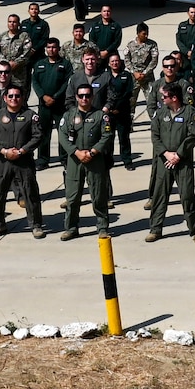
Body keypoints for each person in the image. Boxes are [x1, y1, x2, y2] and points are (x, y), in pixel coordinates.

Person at [148, 83, 195, 242]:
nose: (162, 99)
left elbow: (193, 136)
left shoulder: (190, 113)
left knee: (187, 195)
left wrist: (178, 155)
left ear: (174, 98)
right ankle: (155, 229)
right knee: (159, 195)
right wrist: (166, 153)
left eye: (165, 96)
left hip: (183, 161)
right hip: (163, 161)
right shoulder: (160, 113)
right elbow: (155, 136)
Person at [0, 85, 44, 238]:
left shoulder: (30, 115)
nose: (14, 99)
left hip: (24, 160)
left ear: (22, 98)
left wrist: (21, 151)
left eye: (17, 96)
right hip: (2, 160)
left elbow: (37, 137)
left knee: (30, 192)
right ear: (5, 98)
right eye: (11, 96)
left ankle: (36, 225)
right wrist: (4, 151)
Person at [59, 84, 113, 240]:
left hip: (94, 161)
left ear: (92, 97)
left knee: (98, 195)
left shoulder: (100, 116)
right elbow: (62, 137)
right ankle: (71, 227)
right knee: (73, 197)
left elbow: (106, 136)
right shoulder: (68, 116)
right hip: (74, 161)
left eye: (87, 95)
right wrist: (76, 152)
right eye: (81, 95)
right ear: (76, 97)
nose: (84, 98)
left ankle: (102, 227)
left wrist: (92, 152)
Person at [32, 40, 72, 169]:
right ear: (45, 49)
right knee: (43, 133)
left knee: (63, 132)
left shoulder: (65, 64)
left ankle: (64, 158)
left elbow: (67, 82)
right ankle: (43, 160)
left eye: (54, 47)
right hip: (44, 105)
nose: (51, 50)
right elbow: (35, 82)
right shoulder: (39, 64)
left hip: (60, 105)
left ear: (59, 48)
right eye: (49, 47)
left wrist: (55, 97)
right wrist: (43, 96)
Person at [103, 50, 137, 172]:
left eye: (117, 61)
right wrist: (110, 109)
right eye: (112, 61)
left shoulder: (126, 75)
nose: (115, 63)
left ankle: (127, 161)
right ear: (108, 63)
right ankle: (108, 161)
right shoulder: (105, 76)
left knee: (124, 138)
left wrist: (117, 108)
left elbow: (128, 93)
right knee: (108, 139)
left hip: (123, 112)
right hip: (109, 114)